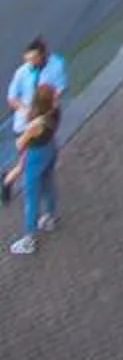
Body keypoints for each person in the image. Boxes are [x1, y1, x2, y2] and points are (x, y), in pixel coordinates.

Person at [3, 38, 65, 222]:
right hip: (27, 124)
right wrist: (26, 111)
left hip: (41, 125)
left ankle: (8, 181)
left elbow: (58, 93)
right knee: (32, 164)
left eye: (33, 59)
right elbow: (12, 98)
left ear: (43, 55)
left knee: (31, 168)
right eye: (28, 59)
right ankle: (8, 181)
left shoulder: (55, 67)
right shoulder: (22, 72)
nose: (30, 63)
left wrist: (43, 115)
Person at [6, 79, 58, 257]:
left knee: (31, 197)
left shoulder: (36, 124)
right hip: (50, 149)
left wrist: (26, 128)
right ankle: (50, 217)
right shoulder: (55, 112)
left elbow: (20, 144)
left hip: (35, 157)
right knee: (49, 185)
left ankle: (29, 238)